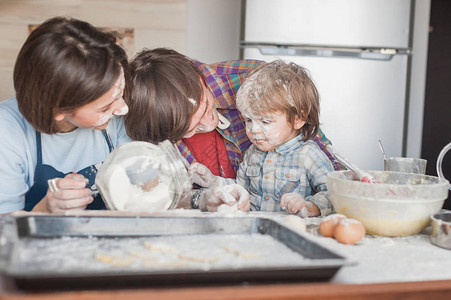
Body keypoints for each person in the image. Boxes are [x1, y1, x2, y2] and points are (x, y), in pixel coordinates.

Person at [125, 48, 343, 212]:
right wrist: (210, 186)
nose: (207, 125)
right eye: (188, 130)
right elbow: (155, 195)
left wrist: (320, 203)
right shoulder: (149, 124)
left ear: (200, 79)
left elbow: (334, 175)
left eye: (204, 110)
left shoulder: (256, 81)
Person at [0, 17, 131, 214]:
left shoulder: (117, 117)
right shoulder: (7, 131)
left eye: (121, 94)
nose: (123, 109)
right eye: (104, 108)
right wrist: (45, 209)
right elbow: (5, 227)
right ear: (58, 110)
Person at [190, 60, 335, 217]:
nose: (254, 130)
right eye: (248, 120)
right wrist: (213, 182)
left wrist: (310, 205)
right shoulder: (253, 153)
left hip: (292, 231)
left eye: (265, 121)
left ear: (298, 119)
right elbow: (240, 188)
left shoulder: (308, 154)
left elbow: (334, 193)